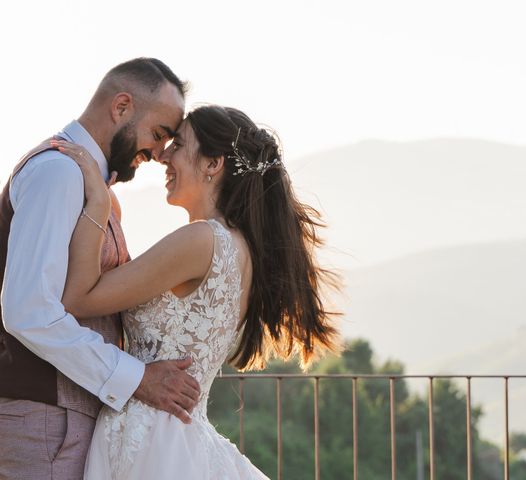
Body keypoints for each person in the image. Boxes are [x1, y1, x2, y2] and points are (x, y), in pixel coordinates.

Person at [53, 104, 340, 479]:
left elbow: (78, 299)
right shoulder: (240, 248)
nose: (163, 156)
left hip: (152, 443)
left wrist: (97, 203)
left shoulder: (201, 240)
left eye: (179, 145)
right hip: (178, 436)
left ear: (212, 164)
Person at [0, 58, 201, 479]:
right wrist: (137, 378)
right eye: (158, 134)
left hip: (63, 422)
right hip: (42, 423)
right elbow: (28, 310)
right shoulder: (57, 173)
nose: (159, 152)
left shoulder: (89, 184)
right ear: (122, 106)